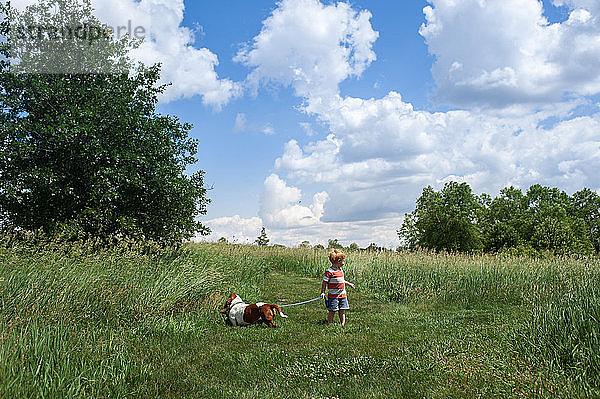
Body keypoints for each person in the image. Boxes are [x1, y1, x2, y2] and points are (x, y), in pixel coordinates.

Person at [320, 249, 355, 326]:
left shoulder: (340, 270)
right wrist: (323, 292)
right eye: (343, 260)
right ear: (338, 260)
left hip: (342, 295)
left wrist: (349, 284)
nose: (344, 262)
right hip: (333, 296)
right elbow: (324, 282)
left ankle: (342, 324)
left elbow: (341, 281)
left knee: (342, 310)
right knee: (332, 311)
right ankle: (330, 324)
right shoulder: (329, 271)